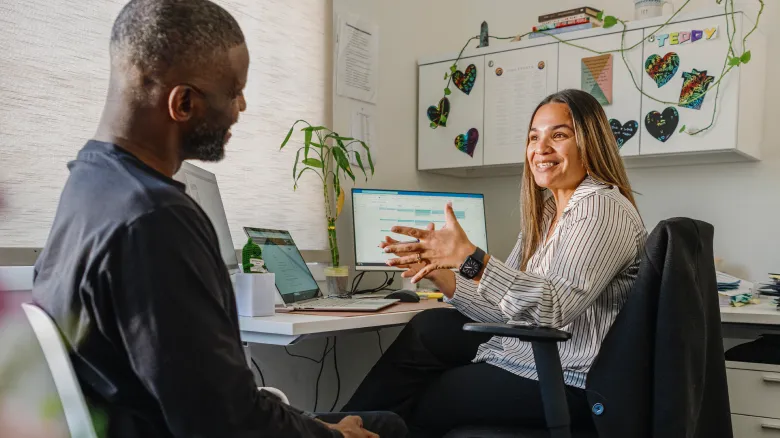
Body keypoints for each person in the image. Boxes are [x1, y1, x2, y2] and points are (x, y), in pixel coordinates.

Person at [31, 1, 406, 437]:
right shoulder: (155, 220)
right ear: (184, 103)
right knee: (386, 429)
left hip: (144, 417)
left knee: (377, 418)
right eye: (234, 92)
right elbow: (224, 424)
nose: (242, 107)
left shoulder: (90, 183)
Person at [342, 89, 648, 437]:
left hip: (567, 379)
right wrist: (444, 276)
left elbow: (551, 309)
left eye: (558, 135)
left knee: (429, 398)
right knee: (427, 329)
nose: (540, 148)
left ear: (590, 143)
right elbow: (510, 311)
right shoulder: (548, 214)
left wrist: (472, 258)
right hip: (528, 359)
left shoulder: (601, 208)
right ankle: (334, 429)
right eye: (534, 137)